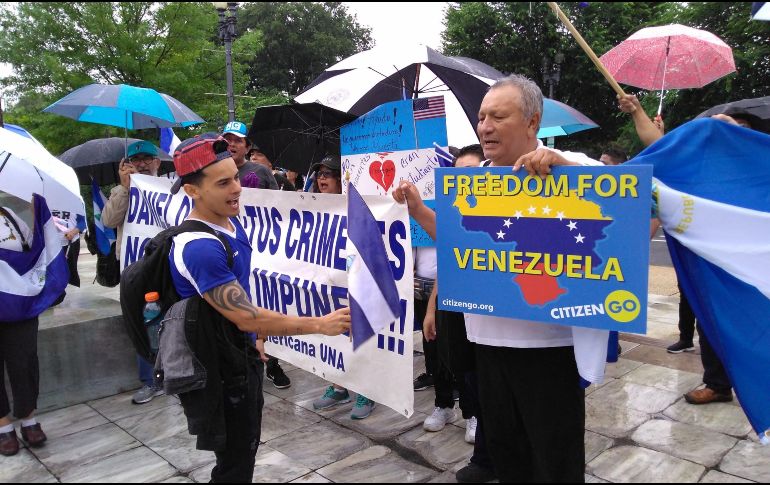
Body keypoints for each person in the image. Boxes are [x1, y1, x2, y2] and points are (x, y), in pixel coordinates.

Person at [395, 74, 603, 482]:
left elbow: (627, 198)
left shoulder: (571, 166)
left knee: (554, 458)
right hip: (486, 342)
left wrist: (565, 168)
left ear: (532, 123)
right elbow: (459, 242)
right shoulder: (473, 182)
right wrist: (419, 210)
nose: (485, 127)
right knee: (507, 454)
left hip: (547, 347)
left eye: (498, 116)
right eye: (481, 117)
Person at [167, 134, 350, 482]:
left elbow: (242, 303)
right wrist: (320, 324)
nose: (236, 188)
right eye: (223, 183)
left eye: (235, 176)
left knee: (245, 447)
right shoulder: (200, 247)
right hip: (218, 370)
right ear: (193, 191)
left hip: (239, 356)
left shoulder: (226, 223)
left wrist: (255, 339)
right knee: (234, 460)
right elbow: (244, 313)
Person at [309, 155, 376, 420]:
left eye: (328, 173)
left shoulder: (357, 205)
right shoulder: (313, 206)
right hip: (328, 282)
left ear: (342, 178)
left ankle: (365, 389)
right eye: (319, 173)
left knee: (358, 332)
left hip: (355, 280)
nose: (321, 178)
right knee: (335, 333)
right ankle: (340, 386)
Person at [102, 140, 165, 405]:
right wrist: (125, 190)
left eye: (147, 159)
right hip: (134, 271)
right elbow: (109, 221)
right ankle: (150, 381)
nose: (141, 164)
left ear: (157, 162)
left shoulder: (167, 188)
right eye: (135, 159)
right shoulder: (120, 191)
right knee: (143, 325)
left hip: (165, 267)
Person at [0, 201, 53, 456]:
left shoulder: (7, 214)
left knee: (24, 361)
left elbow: (32, 250)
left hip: (17, 304)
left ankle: (28, 419)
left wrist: (38, 217)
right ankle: (3, 426)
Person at [222, 121, 278, 191]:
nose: (232, 144)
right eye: (228, 139)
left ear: (247, 148)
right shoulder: (212, 171)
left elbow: (276, 200)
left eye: (238, 140)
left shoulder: (262, 171)